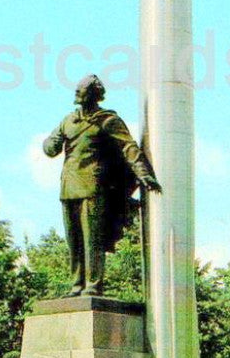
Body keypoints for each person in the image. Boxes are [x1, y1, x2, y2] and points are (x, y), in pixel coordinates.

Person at [43, 74, 160, 296]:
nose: (77, 92)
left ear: (94, 94)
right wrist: (49, 143)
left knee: (92, 240)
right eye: (77, 88)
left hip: (93, 187)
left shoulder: (107, 120)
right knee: (74, 241)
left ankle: (93, 285)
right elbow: (51, 148)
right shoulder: (69, 121)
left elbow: (128, 147)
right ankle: (76, 284)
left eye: (82, 89)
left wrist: (144, 173)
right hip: (68, 187)